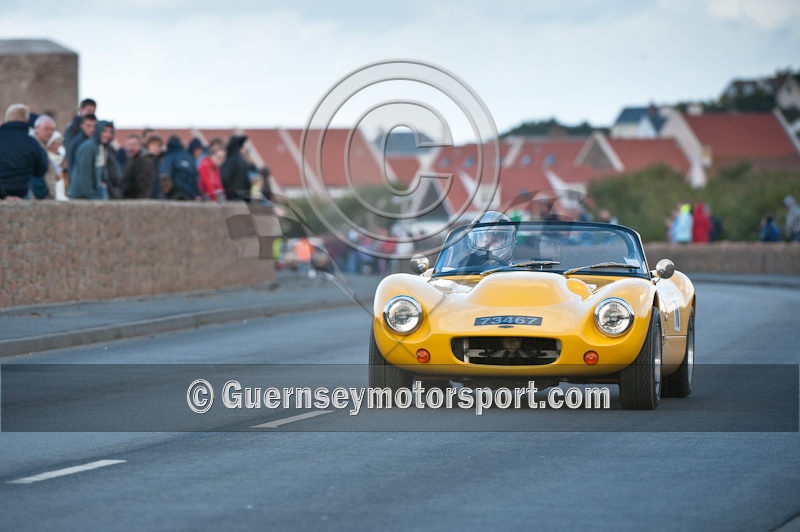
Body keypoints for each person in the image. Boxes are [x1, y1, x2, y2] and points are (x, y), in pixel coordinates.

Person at [0, 103, 49, 200]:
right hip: (22, 192)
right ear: (26, 120)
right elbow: (41, 169)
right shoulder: (32, 143)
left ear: (7, 118)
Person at [68, 120, 115, 200]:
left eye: (110, 132)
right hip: (83, 196)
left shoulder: (102, 147)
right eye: (104, 131)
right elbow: (84, 175)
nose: (107, 135)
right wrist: (93, 196)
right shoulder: (89, 147)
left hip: (95, 192)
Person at [159, 135, 202, 200]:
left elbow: (164, 175)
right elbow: (195, 177)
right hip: (190, 195)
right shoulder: (189, 157)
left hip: (174, 195)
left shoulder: (168, 156)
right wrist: (197, 194)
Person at [121, 134, 163, 199]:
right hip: (142, 198)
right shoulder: (143, 161)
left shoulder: (158, 161)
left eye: (158, 145)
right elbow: (142, 184)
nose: (156, 148)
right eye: (154, 145)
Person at [221, 134, 256, 201]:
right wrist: (247, 200)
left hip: (230, 199)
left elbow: (224, 179)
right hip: (240, 199)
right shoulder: (242, 162)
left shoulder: (230, 161)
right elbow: (247, 184)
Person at [31, 114, 57, 198]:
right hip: (38, 195)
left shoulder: (42, 146)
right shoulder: (33, 147)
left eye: (52, 129)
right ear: (36, 128)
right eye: (46, 129)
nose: (50, 132)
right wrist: (43, 192)